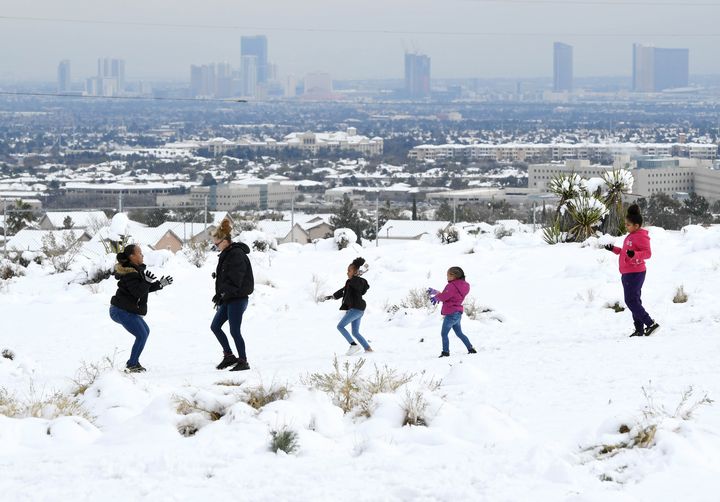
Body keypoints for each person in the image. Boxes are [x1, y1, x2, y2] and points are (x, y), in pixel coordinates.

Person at [109, 244, 173, 373]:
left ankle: (134, 362)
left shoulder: (137, 270)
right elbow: (137, 292)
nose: (142, 255)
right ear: (132, 256)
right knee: (141, 334)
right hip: (120, 310)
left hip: (126, 310)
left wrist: (160, 284)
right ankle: (132, 364)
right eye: (139, 253)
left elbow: (144, 289)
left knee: (145, 332)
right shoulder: (129, 273)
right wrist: (147, 282)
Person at [604, 204, 660, 337]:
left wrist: (634, 254)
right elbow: (625, 252)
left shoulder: (641, 236)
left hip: (635, 272)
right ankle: (639, 329)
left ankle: (650, 323)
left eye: (628, 225)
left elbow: (647, 253)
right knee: (635, 300)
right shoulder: (630, 235)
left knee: (631, 301)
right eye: (625, 224)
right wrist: (613, 249)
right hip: (628, 273)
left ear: (636, 225)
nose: (626, 226)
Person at [211, 220, 255, 371]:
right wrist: (219, 294)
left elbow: (236, 280)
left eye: (217, 244)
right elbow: (224, 278)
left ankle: (243, 361)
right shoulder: (226, 254)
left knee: (234, 330)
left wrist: (222, 293)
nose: (216, 247)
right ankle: (229, 356)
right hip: (228, 298)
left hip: (238, 298)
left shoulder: (236, 254)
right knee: (215, 326)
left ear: (225, 241)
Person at [325, 257, 373, 355]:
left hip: (356, 309)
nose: (347, 272)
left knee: (340, 326)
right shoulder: (351, 282)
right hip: (358, 310)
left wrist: (356, 276)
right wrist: (332, 296)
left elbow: (360, 286)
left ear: (355, 272)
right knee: (355, 332)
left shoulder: (357, 281)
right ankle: (368, 348)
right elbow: (343, 291)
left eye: (349, 271)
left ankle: (353, 345)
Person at [428, 266, 477, 358]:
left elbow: (445, 296)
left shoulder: (451, 286)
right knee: (459, 333)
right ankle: (471, 349)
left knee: (444, 333)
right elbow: (450, 294)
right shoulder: (463, 285)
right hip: (457, 313)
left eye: (448, 275)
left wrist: (437, 297)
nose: (446, 277)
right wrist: (437, 292)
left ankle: (445, 352)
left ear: (453, 276)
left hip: (451, 313)